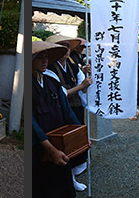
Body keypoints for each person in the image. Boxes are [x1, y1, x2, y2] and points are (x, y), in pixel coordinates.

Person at [32, 41, 82, 198]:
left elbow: (67, 112)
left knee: (64, 186)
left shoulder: (52, 81)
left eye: (46, 57)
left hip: (61, 143)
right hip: (41, 149)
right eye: (39, 57)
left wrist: (80, 135)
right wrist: (51, 149)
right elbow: (32, 123)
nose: (44, 61)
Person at [45, 34, 92, 191]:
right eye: (62, 46)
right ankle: (67, 179)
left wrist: (87, 79)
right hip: (59, 111)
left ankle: (73, 175)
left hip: (76, 109)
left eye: (67, 46)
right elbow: (62, 93)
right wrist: (81, 86)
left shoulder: (72, 65)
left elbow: (83, 88)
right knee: (64, 145)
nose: (66, 49)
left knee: (76, 144)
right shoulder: (49, 68)